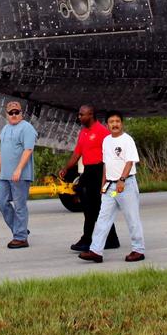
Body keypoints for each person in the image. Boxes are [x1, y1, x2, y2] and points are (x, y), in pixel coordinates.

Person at [79, 112, 145, 263]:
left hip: (125, 185)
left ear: (122, 123)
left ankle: (138, 250)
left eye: (117, 121)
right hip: (111, 188)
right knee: (103, 218)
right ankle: (96, 251)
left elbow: (130, 162)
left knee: (132, 217)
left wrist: (122, 180)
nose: (115, 124)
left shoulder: (127, 140)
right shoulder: (106, 141)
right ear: (107, 125)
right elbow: (106, 164)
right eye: (111, 122)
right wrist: (103, 185)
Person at [58, 105, 119, 253]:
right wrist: (66, 168)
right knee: (90, 206)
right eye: (79, 114)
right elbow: (77, 153)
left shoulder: (102, 132)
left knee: (96, 207)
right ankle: (110, 239)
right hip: (88, 171)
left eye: (82, 115)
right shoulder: (83, 132)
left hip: (100, 170)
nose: (79, 117)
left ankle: (88, 239)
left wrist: (109, 178)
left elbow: (110, 155)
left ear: (90, 115)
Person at [0, 100, 36, 249]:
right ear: (6, 114)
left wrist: (19, 168)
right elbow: (1, 151)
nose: (13, 115)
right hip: (4, 175)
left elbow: (28, 150)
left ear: (21, 113)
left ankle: (20, 238)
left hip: (20, 175)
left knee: (19, 205)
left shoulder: (27, 128)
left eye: (16, 112)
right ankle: (21, 229)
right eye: (10, 112)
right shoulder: (5, 129)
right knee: (1, 202)